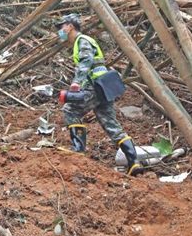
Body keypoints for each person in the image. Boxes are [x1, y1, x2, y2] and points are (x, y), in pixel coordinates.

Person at [54, 13, 142, 176]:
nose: (60, 30)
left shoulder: (82, 40)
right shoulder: (82, 41)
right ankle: (133, 163)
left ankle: (78, 149)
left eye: (62, 26)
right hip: (104, 86)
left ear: (70, 26)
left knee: (70, 110)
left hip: (95, 85)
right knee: (111, 124)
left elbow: (85, 61)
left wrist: (77, 82)